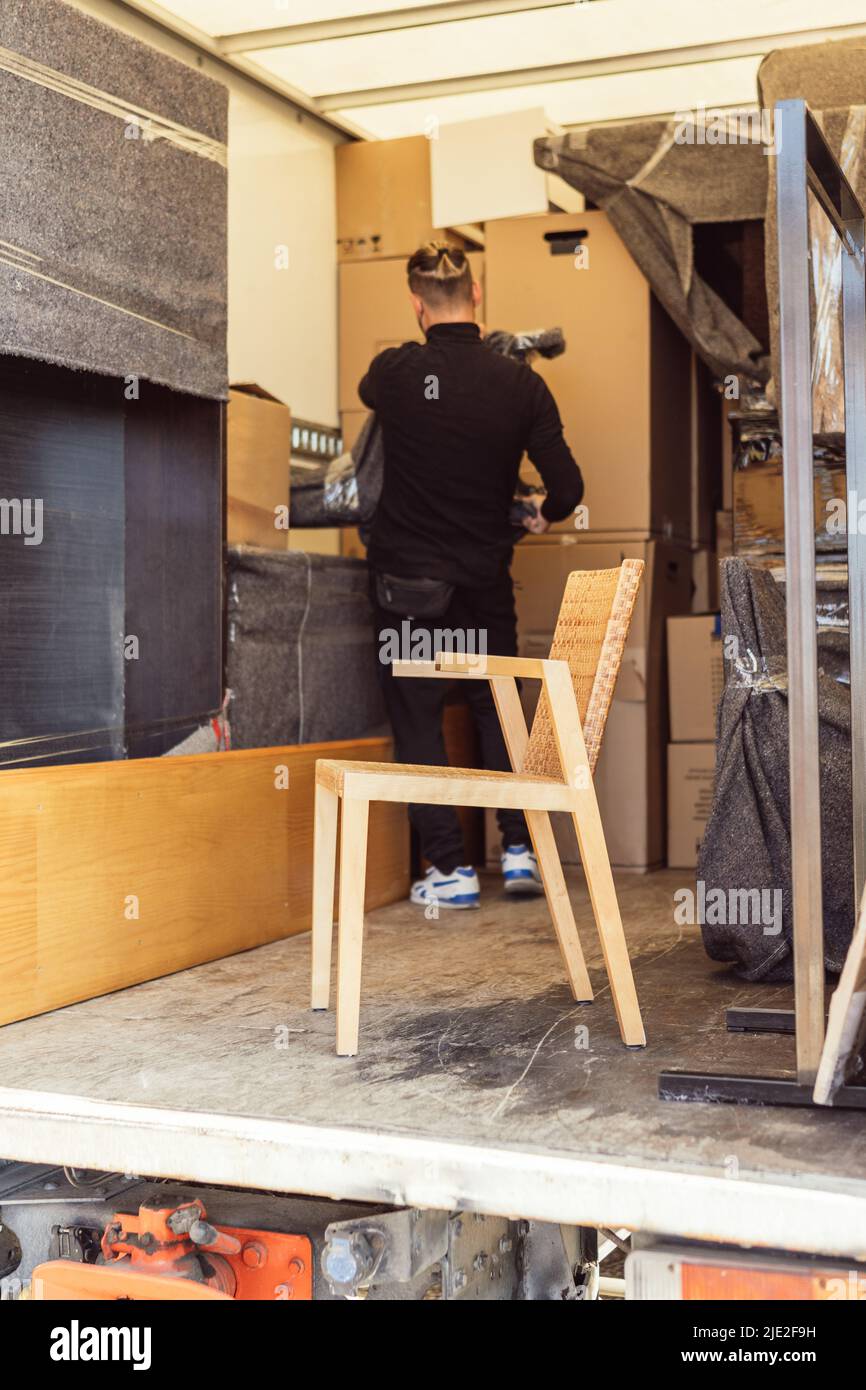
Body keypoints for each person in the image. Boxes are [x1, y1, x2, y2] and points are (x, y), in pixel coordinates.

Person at [359, 241, 584, 910]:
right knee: (495, 708)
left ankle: (451, 869)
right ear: (478, 295)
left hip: (410, 592)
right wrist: (541, 515)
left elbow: (375, 395)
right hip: (484, 583)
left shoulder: (396, 372)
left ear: (417, 304)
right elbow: (568, 488)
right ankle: (518, 852)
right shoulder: (520, 385)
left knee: (419, 716)